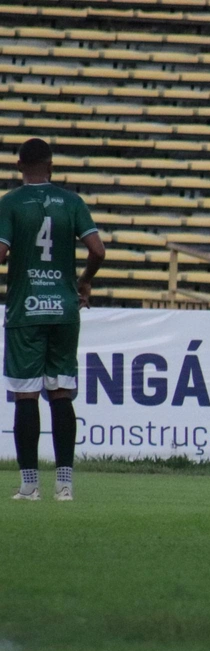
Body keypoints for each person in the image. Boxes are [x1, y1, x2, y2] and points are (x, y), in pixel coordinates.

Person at [1, 138, 105, 501]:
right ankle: (64, 484)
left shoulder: (10, 203)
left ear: (18, 167)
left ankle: (30, 485)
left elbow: (0, 251)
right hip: (63, 308)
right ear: (51, 165)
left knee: (25, 395)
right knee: (60, 392)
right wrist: (85, 281)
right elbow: (97, 250)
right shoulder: (72, 202)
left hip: (26, 309)